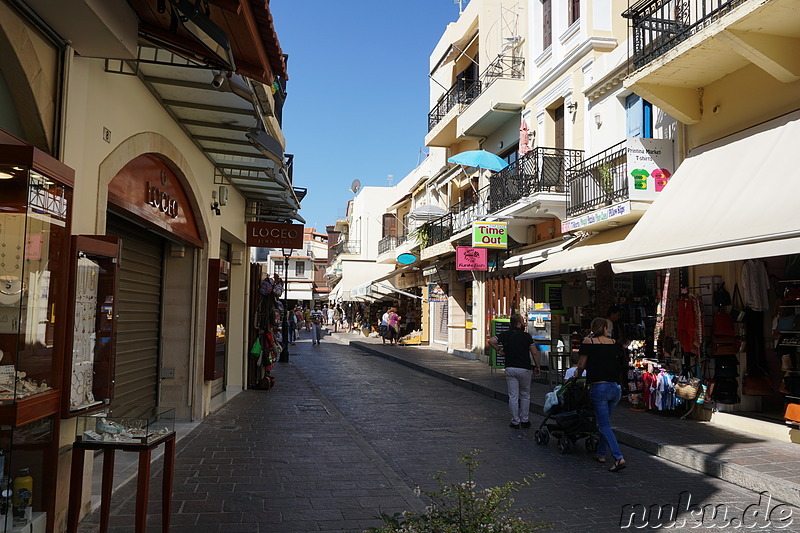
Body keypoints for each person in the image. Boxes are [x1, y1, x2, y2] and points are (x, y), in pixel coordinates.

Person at [576, 317, 627, 472]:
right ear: (605, 328)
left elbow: (581, 365)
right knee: (606, 424)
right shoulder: (614, 344)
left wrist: (576, 376)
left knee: (603, 425)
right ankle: (601, 453)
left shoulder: (588, 343)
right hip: (615, 388)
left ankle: (618, 457)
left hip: (599, 387)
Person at [487, 314, 541, 429]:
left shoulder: (505, 335)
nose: (524, 323)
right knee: (525, 395)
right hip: (525, 368)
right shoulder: (526, 336)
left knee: (513, 396)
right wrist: (538, 366)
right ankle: (525, 420)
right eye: (523, 321)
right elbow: (534, 352)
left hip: (510, 368)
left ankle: (515, 421)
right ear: (518, 323)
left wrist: (499, 350)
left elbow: (491, 341)